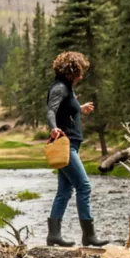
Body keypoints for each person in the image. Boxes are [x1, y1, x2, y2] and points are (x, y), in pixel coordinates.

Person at [46, 51, 109, 247]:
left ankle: (54, 235)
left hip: (72, 145)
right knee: (84, 186)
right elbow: (51, 110)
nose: (82, 76)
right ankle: (88, 236)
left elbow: (65, 109)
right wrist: (53, 127)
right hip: (66, 146)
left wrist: (79, 108)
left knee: (64, 191)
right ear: (72, 71)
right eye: (80, 72)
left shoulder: (67, 88)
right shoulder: (59, 88)